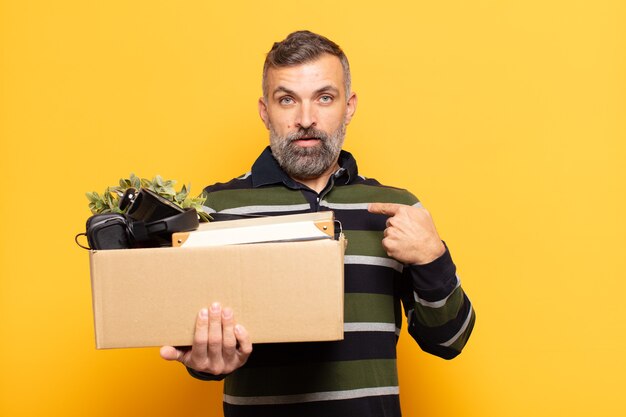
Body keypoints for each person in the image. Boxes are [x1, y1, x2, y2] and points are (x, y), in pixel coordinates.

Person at [160, 30, 475, 417]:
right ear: (264, 110)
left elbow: (449, 341)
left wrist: (433, 257)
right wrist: (204, 362)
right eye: (287, 99)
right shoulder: (215, 209)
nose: (306, 119)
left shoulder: (396, 209)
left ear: (349, 106)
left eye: (324, 98)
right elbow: (196, 346)